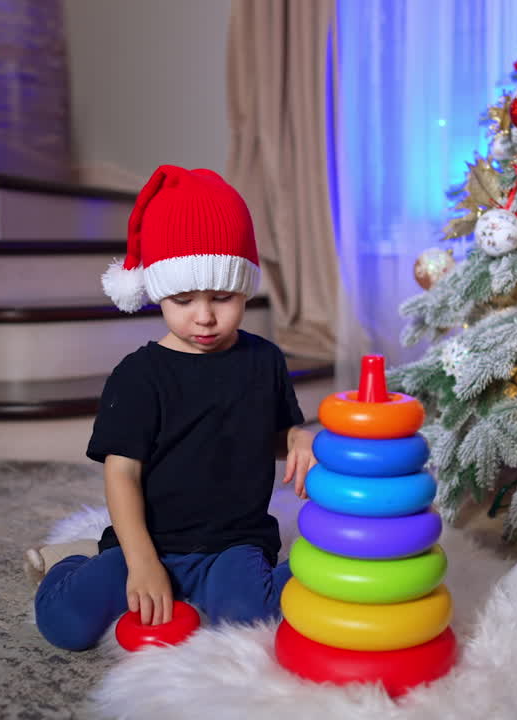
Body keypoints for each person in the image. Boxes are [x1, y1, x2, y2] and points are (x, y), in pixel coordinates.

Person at [26, 165, 317, 652]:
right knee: (67, 625)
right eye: (183, 299)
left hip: (232, 540)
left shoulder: (263, 360)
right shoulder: (140, 376)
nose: (204, 316)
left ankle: (320, 565)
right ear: (158, 292)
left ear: (245, 288)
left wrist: (298, 437)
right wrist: (140, 562)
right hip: (150, 538)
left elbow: (276, 432)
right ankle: (70, 561)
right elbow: (122, 475)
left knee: (253, 618)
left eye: (222, 297)